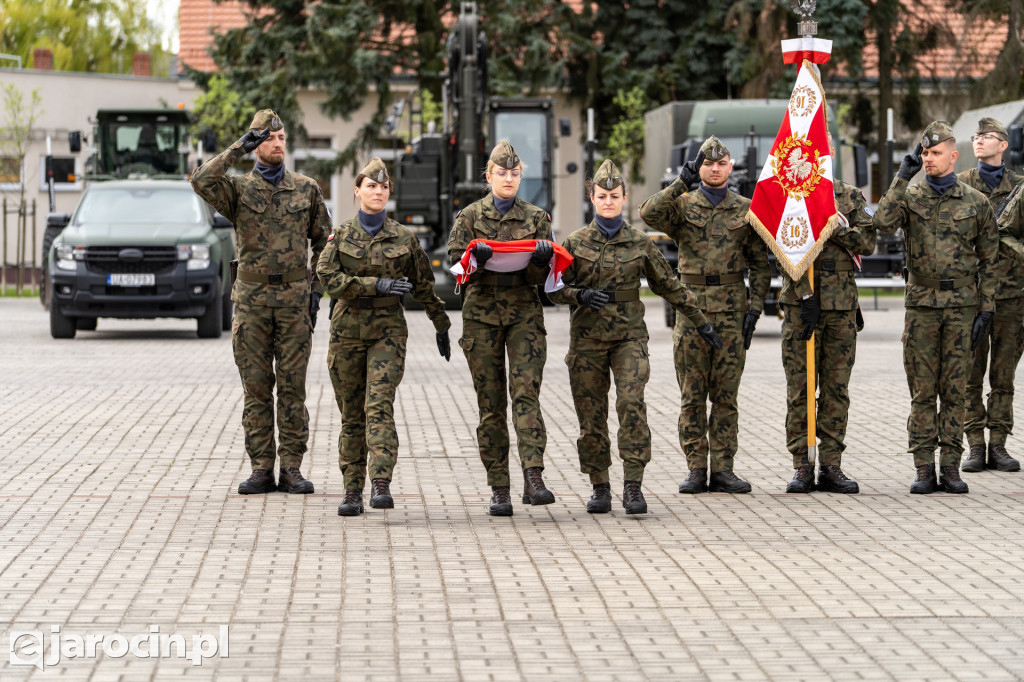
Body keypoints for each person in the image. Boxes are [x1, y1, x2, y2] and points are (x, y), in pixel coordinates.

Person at [550, 159, 721, 514]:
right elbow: (553, 288)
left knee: (631, 406)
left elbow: (669, 285)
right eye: (602, 196)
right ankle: (599, 486)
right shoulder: (576, 242)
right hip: (587, 341)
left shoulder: (640, 243)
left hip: (629, 338)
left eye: (614, 195)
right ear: (592, 199)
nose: (608, 201)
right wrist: (577, 295)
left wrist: (701, 321)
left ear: (624, 198)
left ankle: (633, 485)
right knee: (591, 415)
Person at [190, 108, 329, 495]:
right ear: (256, 144)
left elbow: (324, 241)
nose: (278, 144)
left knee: (292, 388)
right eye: (269, 138)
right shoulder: (237, 190)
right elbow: (200, 180)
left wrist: (316, 291)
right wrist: (236, 147)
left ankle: (292, 468)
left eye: (282, 138)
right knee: (255, 389)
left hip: (294, 303)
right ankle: (261, 469)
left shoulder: (306, 189)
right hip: (251, 303)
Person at [316, 158, 451, 516]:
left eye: (384, 187)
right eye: (371, 186)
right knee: (351, 414)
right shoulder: (341, 235)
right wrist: (375, 284)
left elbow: (424, 287)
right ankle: (350, 489)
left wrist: (442, 324)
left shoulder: (404, 239)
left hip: (387, 333)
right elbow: (327, 278)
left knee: (378, 405)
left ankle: (380, 482)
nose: (378, 192)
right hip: (346, 332)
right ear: (357, 191)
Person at [639, 136, 771, 494]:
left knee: (726, 396)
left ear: (731, 167)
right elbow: (648, 213)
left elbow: (761, 264)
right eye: (707, 163)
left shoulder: (746, 208)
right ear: (700, 167)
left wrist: (755, 308)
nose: (714, 168)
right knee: (692, 395)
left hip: (732, 309)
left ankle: (724, 468)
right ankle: (697, 468)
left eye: (721, 163)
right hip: (691, 309)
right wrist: (680, 182)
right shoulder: (682, 206)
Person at [874, 120, 998, 494]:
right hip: (923, 306)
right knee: (923, 391)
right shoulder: (911, 197)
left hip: (962, 307)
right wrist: (901, 177)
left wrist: (987, 308)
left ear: (953, 156)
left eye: (935, 153)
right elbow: (882, 222)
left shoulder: (976, 203)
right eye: (925, 153)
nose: (928, 159)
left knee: (955, 389)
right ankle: (924, 467)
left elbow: (990, 260)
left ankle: (951, 467)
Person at [447, 140, 555, 516]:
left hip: (524, 312)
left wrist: (541, 260)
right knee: (490, 405)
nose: (508, 179)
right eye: (501, 173)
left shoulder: (538, 217)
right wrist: (472, 258)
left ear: (520, 176)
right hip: (481, 315)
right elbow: (454, 266)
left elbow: (546, 276)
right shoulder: (470, 216)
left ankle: (534, 475)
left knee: (526, 394)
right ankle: (499, 488)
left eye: (514, 173)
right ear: (489, 175)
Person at [780, 135, 877, 494]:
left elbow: (869, 243)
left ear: (832, 153)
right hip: (801, 307)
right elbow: (780, 248)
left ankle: (831, 464)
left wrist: (840, 227)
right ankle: (802, 465)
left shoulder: (851, 197)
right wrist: (804, 293)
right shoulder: (793, 196)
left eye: (825, 149)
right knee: (801, 388)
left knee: (836, 388)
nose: (820, 155)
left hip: (841, 308)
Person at [957, 118, 1024, 474]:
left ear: (1004, 145)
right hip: (972, 295)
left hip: (1012, 295)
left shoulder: (1020, 187)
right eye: (977, 137)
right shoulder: (961, 186)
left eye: (987, 137)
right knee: (971, 373)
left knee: (1003, 375)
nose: (980, 141)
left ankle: (998, 444)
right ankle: (975, 446)